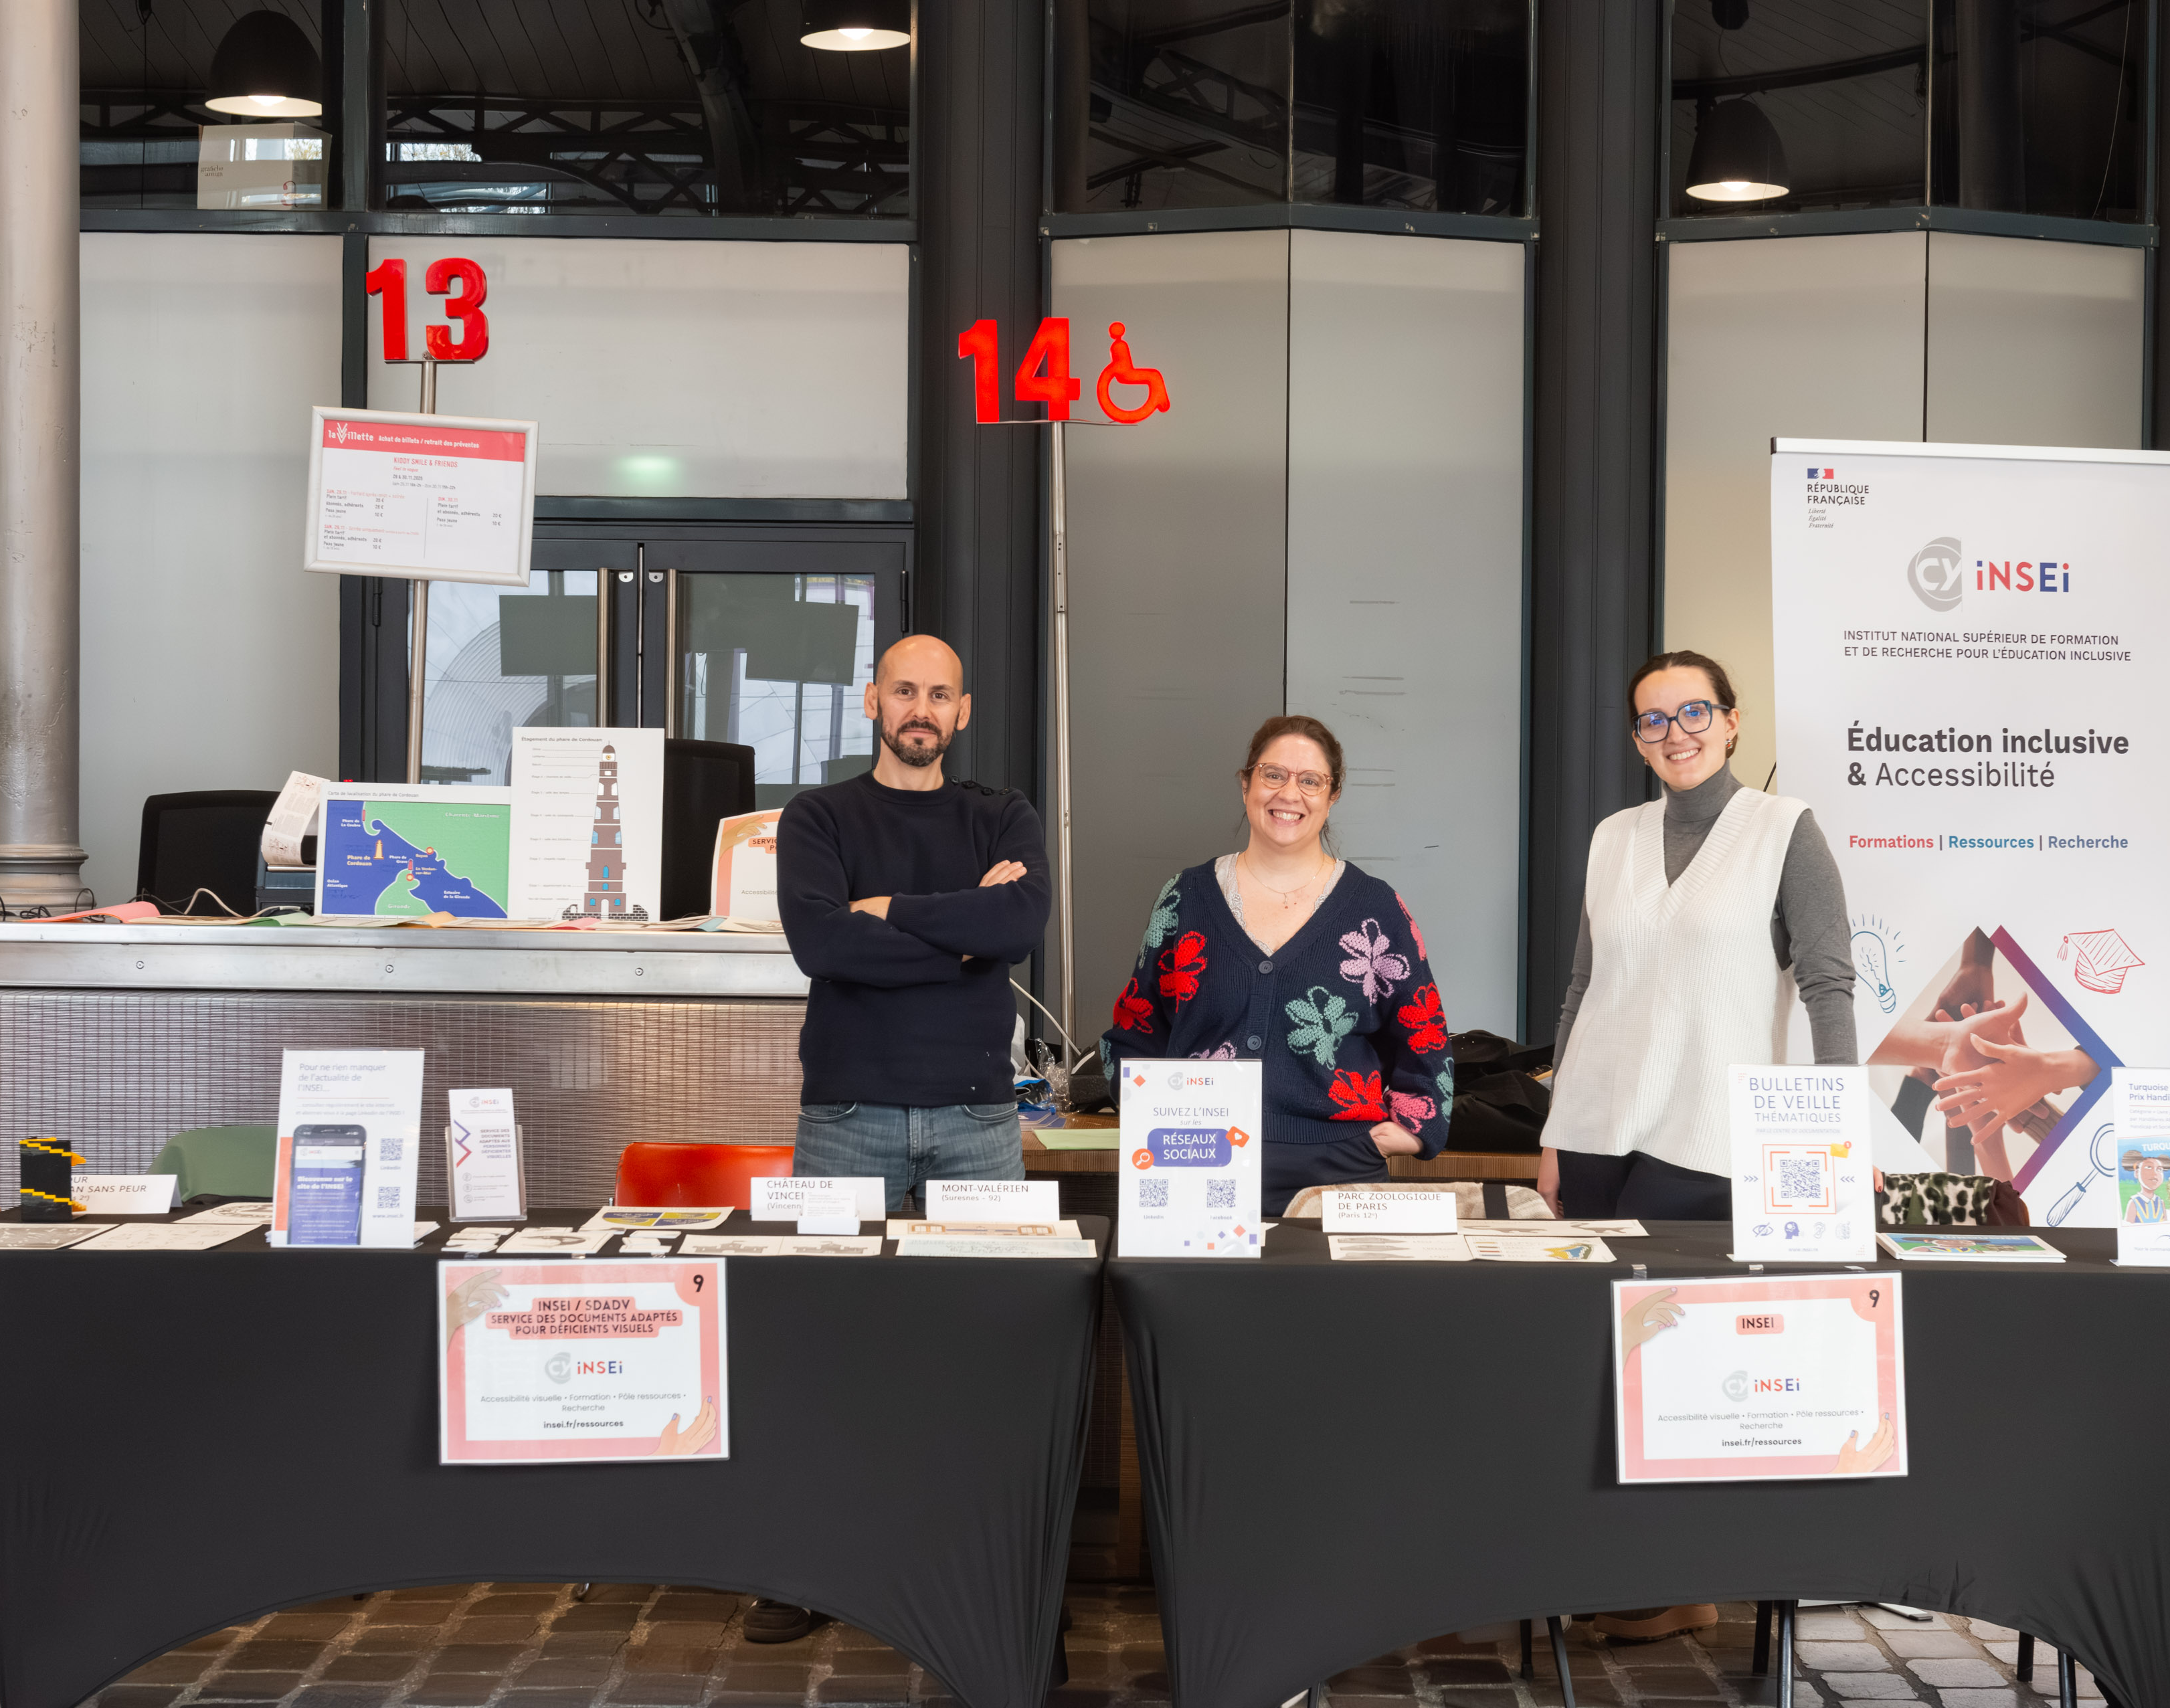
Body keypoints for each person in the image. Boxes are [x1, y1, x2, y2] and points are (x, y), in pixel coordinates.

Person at [1538, 650, 1855, 1648]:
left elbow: (1829, 985)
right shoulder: (1613, 837)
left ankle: (1682, 1580)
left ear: (1730, 720)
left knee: (1677, 1362)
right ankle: (1608, 1565)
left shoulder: (1783, 831)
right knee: (1591, 1362)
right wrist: (1552, 1129)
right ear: (1635, 736)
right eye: (1651, 719)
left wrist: (1833, 1135)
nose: (1674, 732)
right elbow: (1583, 989)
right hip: (1594, 1128)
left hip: (1708, 1136)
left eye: (1692, 712)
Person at [764, 634, 1049, 1642]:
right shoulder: (819, 816)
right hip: (847, 1117)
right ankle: (807, 1570)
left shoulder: (1000, 813)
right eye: (903, 691)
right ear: (872, 699)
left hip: (978, 1119)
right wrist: (959, 935)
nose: (920, 708)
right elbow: (821, 941)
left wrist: (893, 913)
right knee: (827, 1343)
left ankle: (980, 1558)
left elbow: (1019, 927)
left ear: (962, 711)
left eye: (939, 694)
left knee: (990, 1342)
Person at [1101, 716, 1452, 1218]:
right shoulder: (1185, 897)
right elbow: (1137, 1024)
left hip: (1339, 1175)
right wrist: (1152, 1114)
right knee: (1199, 1300)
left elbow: (1425, 1030)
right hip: (1196, 1165)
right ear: (1246, 784)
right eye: (1273, 775)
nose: (1290, 793)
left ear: (1332, 798)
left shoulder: (1375, 908)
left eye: (1311, 781)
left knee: (1332, 1301)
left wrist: (1415, 1131)